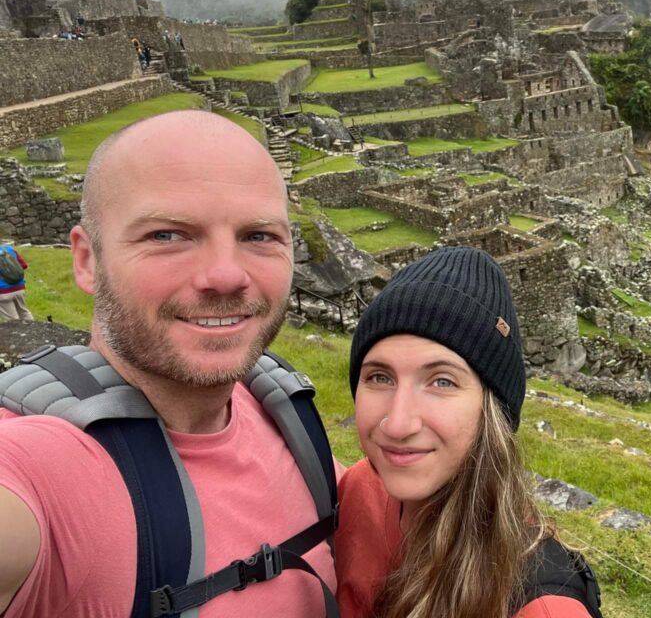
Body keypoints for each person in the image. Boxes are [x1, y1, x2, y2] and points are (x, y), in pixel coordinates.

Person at [0, 111, 338, 617]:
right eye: (167, 235)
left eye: (259, 236)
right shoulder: (42, 470)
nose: (226, 275)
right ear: (87, 260)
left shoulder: (287, 417)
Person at [337, 246, 602, 618]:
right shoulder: (358, 487)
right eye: (379, 377)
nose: (397, 424)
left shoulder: (544, 607)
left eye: (442, 381)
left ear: (491, 410)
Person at [0, 243, 32, 321]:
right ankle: (35, 331)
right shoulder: (9, 249)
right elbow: (24, 265)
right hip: (19, 288)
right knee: (24, 313)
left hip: (3, 292)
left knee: (12, 320)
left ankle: (18, 332)